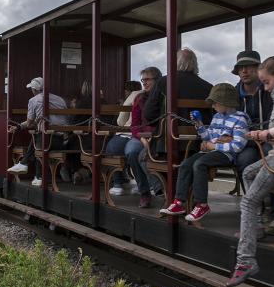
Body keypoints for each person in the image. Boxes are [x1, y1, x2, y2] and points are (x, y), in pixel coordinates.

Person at [226, 55, 274, 287]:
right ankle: (255, 228)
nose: (264, 87)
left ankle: (245, 260)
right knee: (247, 172)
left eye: (266, 82)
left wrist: (264, 134)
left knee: (248, 201)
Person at [160, 83, 249, 221]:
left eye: (215, 103)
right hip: (211, 152)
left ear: (226, 102)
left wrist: (214, 147)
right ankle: (179, 202)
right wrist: (199, 125)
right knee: (186, 164)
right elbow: (209, 137)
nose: (212, 106)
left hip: (226, 154)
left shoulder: (240, 119)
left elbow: (238, 146)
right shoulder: (217, 117)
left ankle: (201, 204)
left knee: (199, 164)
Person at [105, 67, 162, 208]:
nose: (144, 83)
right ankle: (145, 192)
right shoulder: (139, 98)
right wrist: (141, 137)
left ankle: (159, 187)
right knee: (131, 151)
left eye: (148, 79)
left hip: (158, 136)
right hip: (140, 136)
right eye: (143, 80)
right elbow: (135, 125)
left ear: (157, 80)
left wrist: (152, 136)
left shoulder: (164, 97)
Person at [143, 48, 213, 154]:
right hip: (199, 147)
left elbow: (149, 114)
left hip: (167, 146)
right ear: (195, 64)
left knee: (141, 158)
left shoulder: (163, 82)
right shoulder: (208, 87)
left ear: (175, 63)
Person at [7, 77, 68, 186]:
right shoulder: (60, 99)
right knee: (38, 138)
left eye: (31, 89)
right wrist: (19, 127)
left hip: (47, 141)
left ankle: (33, 172)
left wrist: (20, 126)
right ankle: (32, 172)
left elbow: (31, 123)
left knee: (37, 139)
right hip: (63, 141)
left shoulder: (34, 100)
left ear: (34, 90)